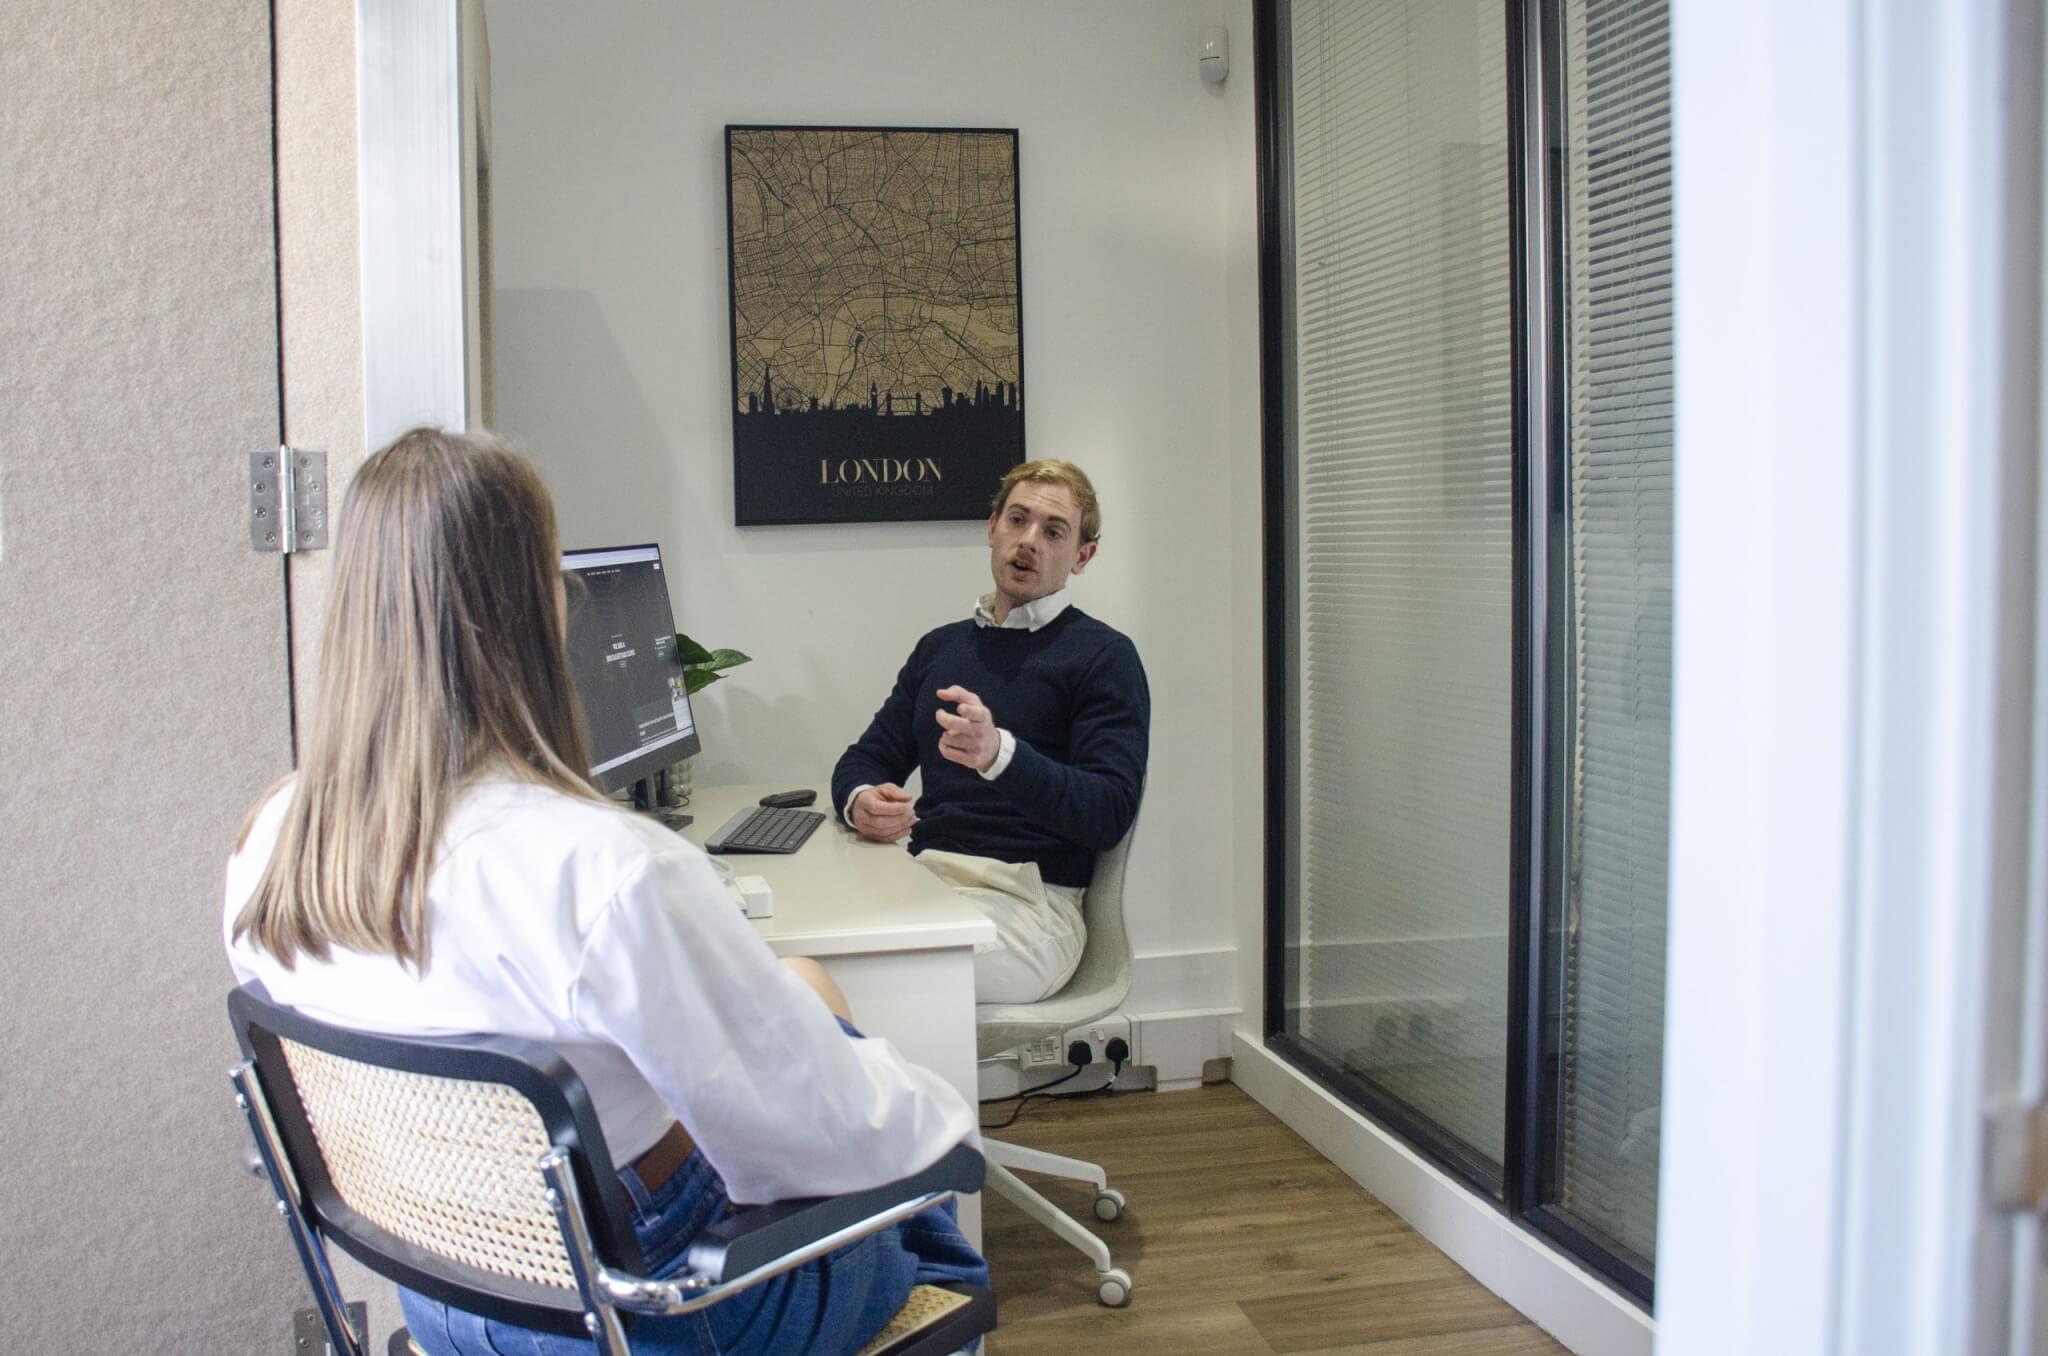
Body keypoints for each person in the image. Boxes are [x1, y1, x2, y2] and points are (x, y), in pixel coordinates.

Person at [224, 427, 985, 1356]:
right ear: (535, 608)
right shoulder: (606, 873)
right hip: (653, 1314)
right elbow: (829, 1144)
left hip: (446, 1301)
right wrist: (939, 1114)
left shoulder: (274, 839)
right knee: (938, 1228)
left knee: (804, 993)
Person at [832, 459, 1150, 1005]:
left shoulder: (1105, 657)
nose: (1028, 542)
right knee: (788, 944)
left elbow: (1109, 813)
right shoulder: (941, 648)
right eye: (1018, 520)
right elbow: (866, 758)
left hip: (1032, 907)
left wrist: (999, 753)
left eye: (1053, 532)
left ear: (1082, 556)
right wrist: (859, 800)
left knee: (865, 972)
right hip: (926, 877)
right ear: (992, 527)